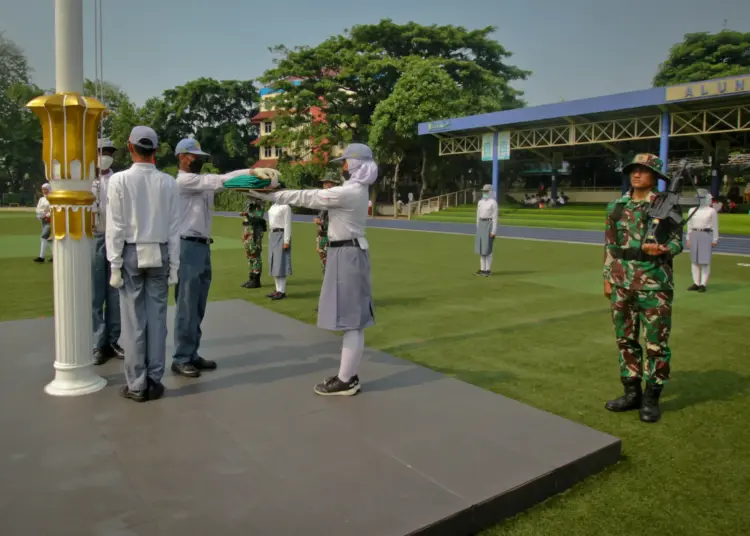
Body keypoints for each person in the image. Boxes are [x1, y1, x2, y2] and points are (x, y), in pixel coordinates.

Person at [247, 143, 377, 396]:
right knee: (352, 321)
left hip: (346, 253)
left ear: (356, 164)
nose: (343, 166)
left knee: (352, 323)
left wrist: (268, 194)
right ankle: (346, 375)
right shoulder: (357, 190)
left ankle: (346, 380)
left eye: (345, 162)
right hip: (347, 251)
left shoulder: (347, 193)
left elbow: (306, 196)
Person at [602, 153, 683, 423]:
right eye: (634, 170)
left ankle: (651, 398)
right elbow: (610, 245)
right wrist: (607, 276)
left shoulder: (666, 205)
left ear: (655, 177)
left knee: (656, 344)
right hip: (622, 282)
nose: (637, 174)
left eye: (644, 170)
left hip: (654, 283)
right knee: (625, 339)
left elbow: (677, 242)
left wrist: (663, 249)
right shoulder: (616, 206)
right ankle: (631, 392)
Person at [106, 126, 181, 402]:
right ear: (156, 150)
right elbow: (174, 227)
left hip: (131, 251)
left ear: (130, 147)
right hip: (159, 251)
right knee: (158, 320)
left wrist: (114, 264)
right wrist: (175, 265)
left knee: (134, 321)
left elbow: (115, 225)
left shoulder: (120, 180)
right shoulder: (168, 182)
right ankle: (153, 379)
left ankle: (137, 383)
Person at [171, 138, 251, 378]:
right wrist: (251, 172)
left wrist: (251, 175)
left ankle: (191, 352)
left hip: (202, 245)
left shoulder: (201, 183)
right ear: (182, 157)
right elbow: (222, 180)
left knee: (198, 304)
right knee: (186, 304)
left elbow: (222, 179)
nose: (199, 160)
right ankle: (181, 357)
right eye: (194, 156)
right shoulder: (184, 181)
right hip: (187, 246)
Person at [91, 138, 124, 364]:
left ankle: (113, 341)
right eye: (103, 151)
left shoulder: (117, 179)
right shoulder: (86, 180)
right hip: (92, 237)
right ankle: (97, 343)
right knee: (95, 295)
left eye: (110, 152)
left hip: (114, 238)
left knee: (115, 295)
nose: (107, 155)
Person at [686, 188, 719, 293]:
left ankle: (703, 284)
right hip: (694, 234)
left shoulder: (711, 211)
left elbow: (715, 226)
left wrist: (714, 239)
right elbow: (689, 225)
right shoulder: (692, 210)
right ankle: (696, 283)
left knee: (705, 262)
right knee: (694, 261)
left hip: (706, 234)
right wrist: (688, 238)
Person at [266, 201, 293, 300]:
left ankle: (282, 290)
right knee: (274, 262)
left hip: (281, 233)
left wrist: (286, 240)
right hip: (273, 234)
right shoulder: (273, 206)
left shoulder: (286, 207)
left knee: (281, 262)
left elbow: (287, 224)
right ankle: (277, 289)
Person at [315, 172, 341, 272]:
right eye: (324, 184)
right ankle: (327, 286)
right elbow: (319, 220)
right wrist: (317, 241)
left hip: (334, 238)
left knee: (334, 266)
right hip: (323, 237)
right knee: (324, 265)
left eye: (328, 184)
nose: (325, 186)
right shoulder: (323, 201)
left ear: (334, 185)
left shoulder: (338, 201)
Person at [240, 196, 267, 289]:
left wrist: (247, 215)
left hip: (255, 232)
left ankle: (256, 280)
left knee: (255, 255)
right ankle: (251, 278)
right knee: (249, 255)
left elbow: (258, 218)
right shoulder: (249, 202)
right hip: (248, 230)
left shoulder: (259, 203)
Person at [475, 184, 498, 276]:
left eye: (486, 191)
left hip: (489, 224)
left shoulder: (493, 203)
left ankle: (488, 270)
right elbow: (478, 215)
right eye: (484, 191)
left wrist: (493, 231)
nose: (485, 193)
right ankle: (482, 269)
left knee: (487, 249)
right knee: (481, 249)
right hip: (481, 224)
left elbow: (495, 218)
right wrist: (478, 227)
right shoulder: (480, 202)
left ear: (491, 192)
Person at [33, 183, 52, 263]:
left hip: (50, 220)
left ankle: (41, 257)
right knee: (50, 239)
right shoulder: (41, 199)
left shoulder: (52, 199)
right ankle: (55, 256)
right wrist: (42, 214)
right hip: (43, 220)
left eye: (45, 189)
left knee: (43, 236)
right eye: (43, 189)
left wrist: (46, 214)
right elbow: (38, 209)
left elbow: (52, 209)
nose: (44, 191)